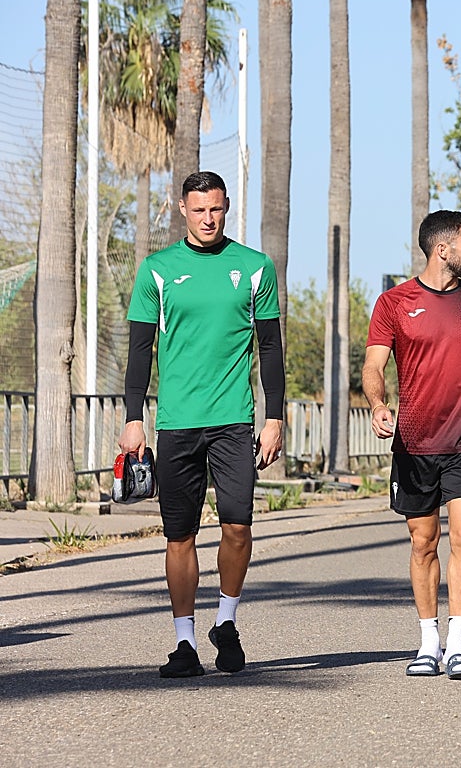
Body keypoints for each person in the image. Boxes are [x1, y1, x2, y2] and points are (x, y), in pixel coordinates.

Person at [120, 171, 284, 678]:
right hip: (177, 423)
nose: (208, 219)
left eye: (215, 209)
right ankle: (185, 643)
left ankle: (226, 621)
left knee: (238, 526)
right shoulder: (157, 270)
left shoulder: (254, 267)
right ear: (182, 210)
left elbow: (270, 347)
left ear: (226, 205)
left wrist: (274, 417)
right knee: (179, 536)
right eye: (198, 210)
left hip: (234, 419)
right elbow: (140, 351)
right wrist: (133, 419)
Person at [362, 210, 461, 680]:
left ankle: (458, 644)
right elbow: (374, 365)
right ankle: (429, 643)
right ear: (443, 250)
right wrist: (378, 404)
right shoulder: (394, 302)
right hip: (414, 443)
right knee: (423, 542)